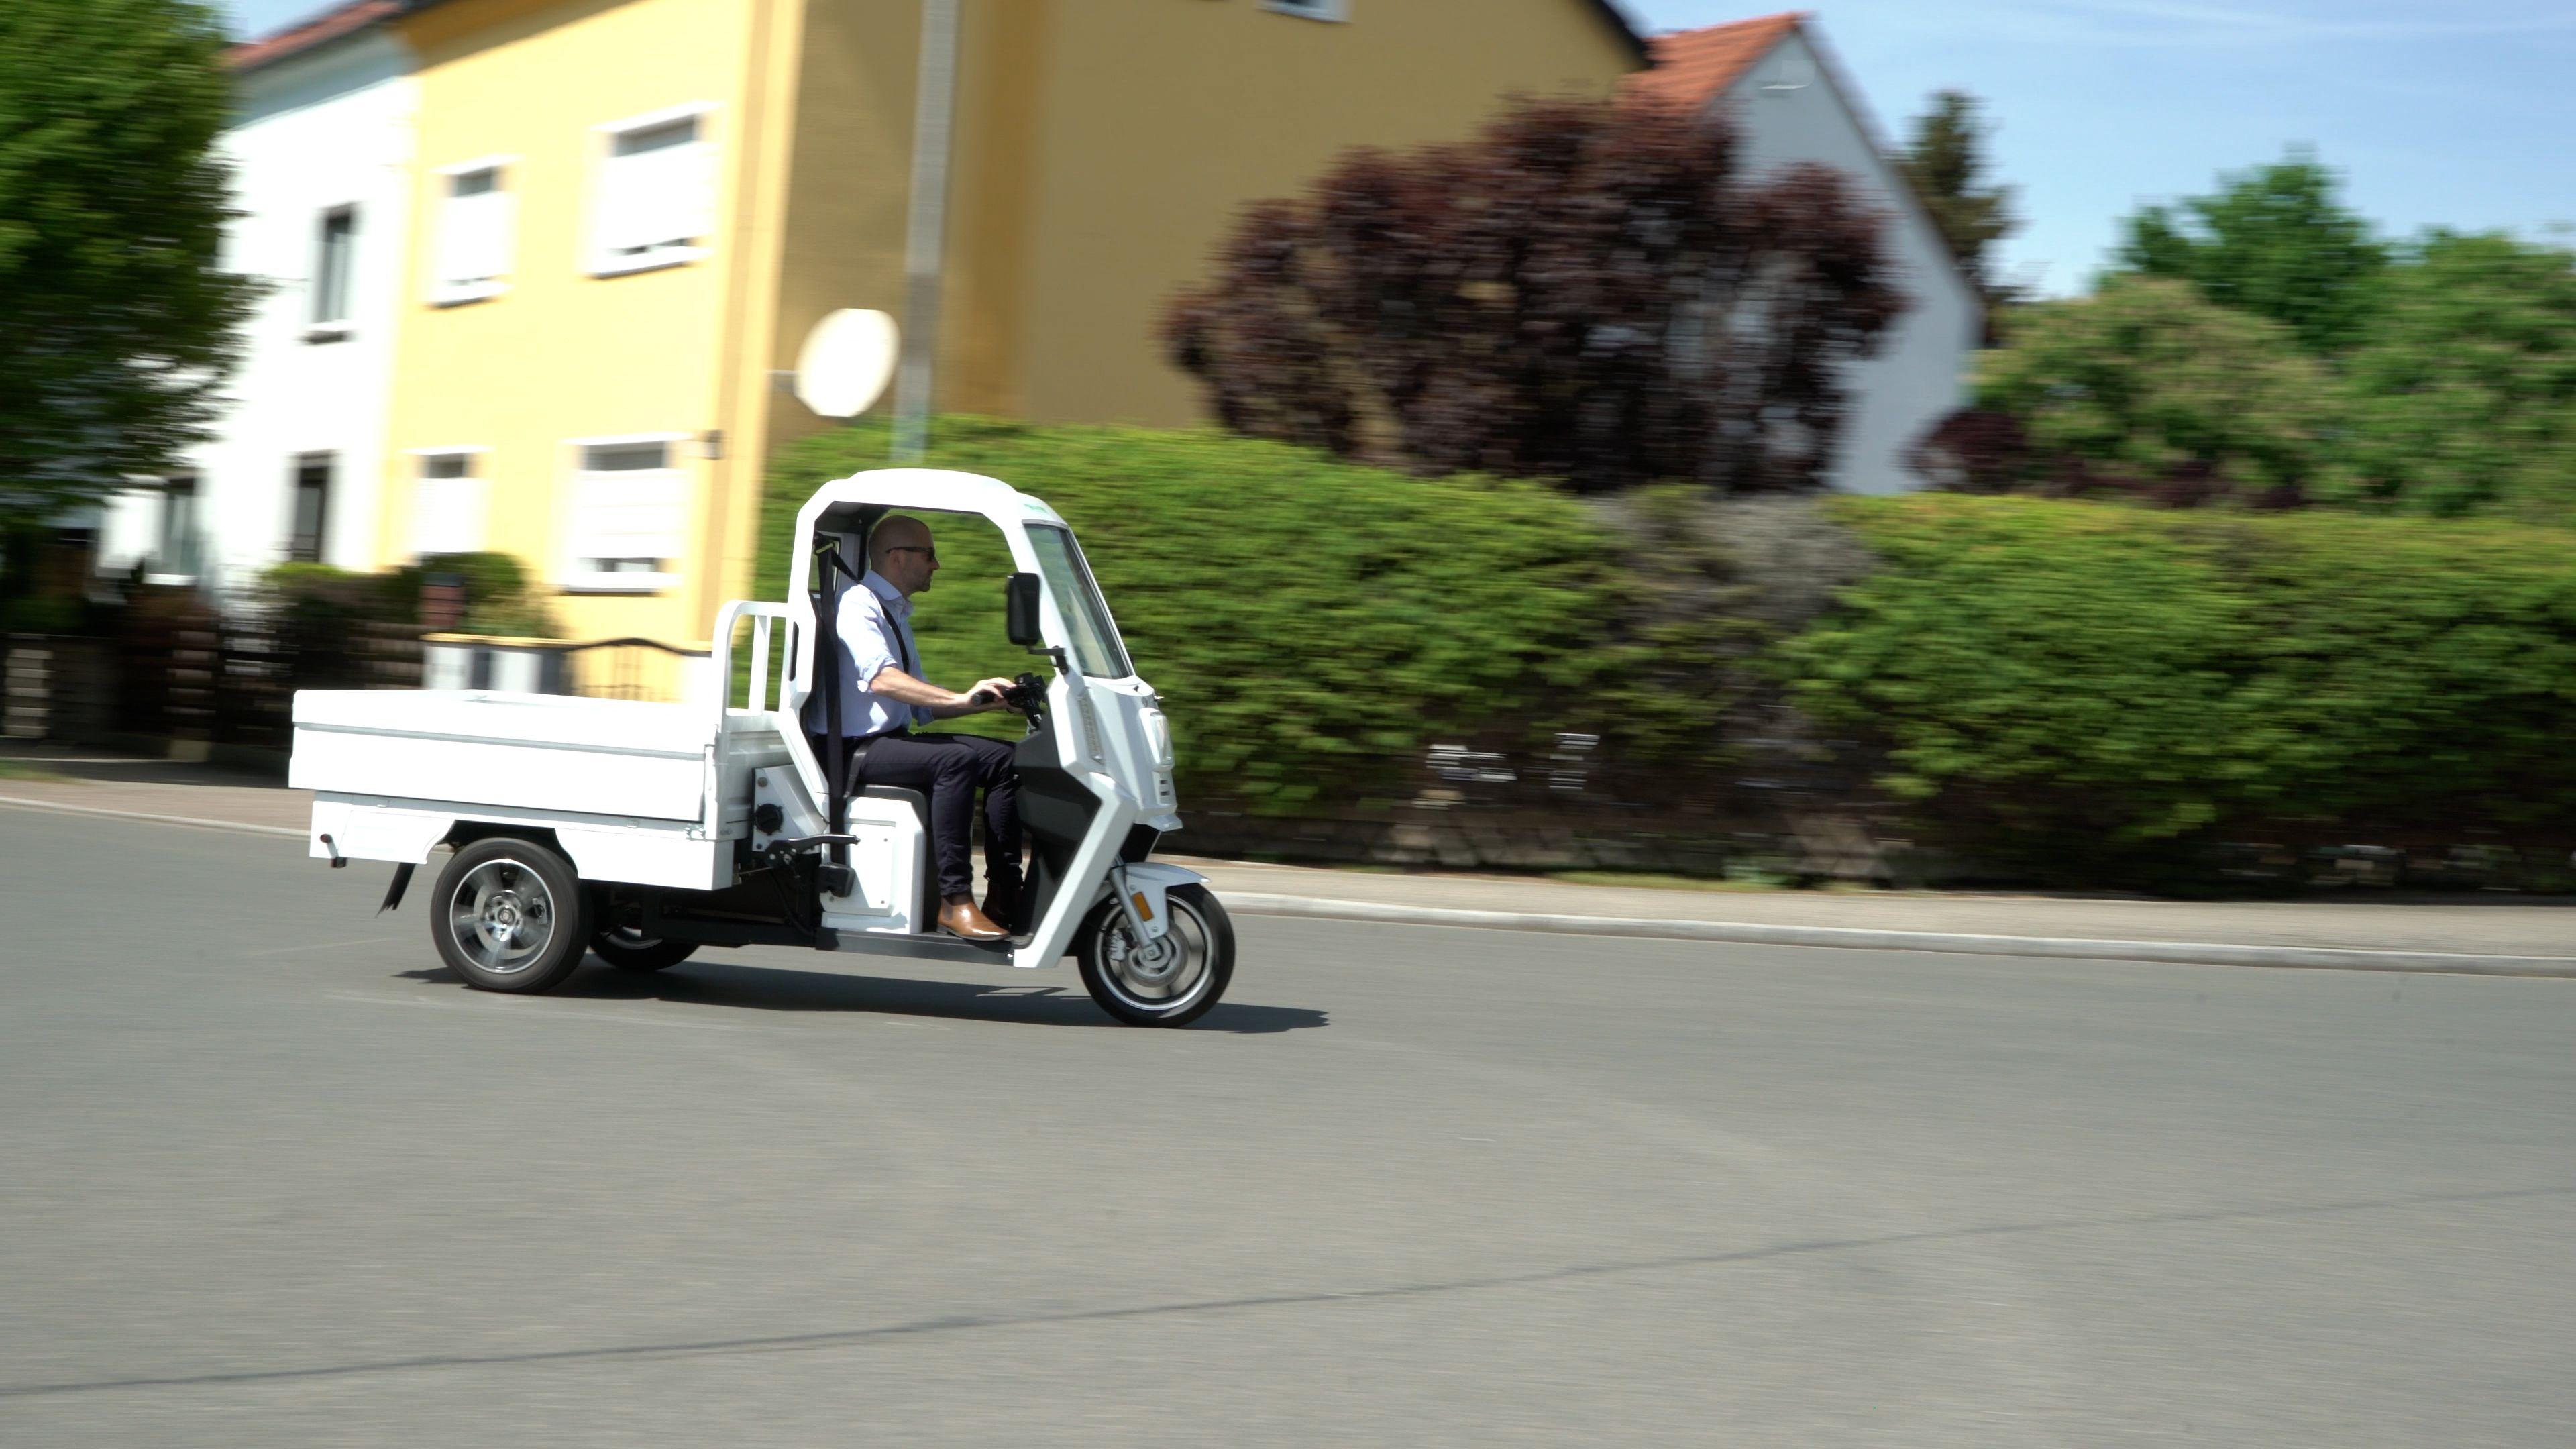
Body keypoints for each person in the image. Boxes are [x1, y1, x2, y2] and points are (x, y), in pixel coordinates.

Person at [804, 515, 1025, 941]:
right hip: (852, 750)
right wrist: (960, 698)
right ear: (898, 557)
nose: (936, 565)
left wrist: (984, 702)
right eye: (929, 554)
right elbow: (882, 679)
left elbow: (923, 707)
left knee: (1005, 760)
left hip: (888, 741)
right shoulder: (857, 605)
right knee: (955, 761)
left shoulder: (893, 612)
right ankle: (955, 901)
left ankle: (1005, 893)